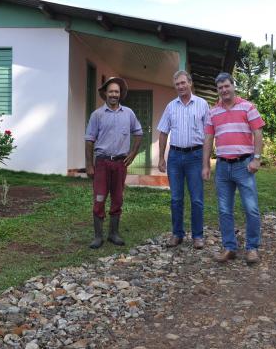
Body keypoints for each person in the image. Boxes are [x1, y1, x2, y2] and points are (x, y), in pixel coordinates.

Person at [202, 72, 265, 264]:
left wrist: (257, 159)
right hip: (222, 167)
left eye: (226, 86)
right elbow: (208, 139)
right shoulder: (213, 112)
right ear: (218, 90)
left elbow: (258, 132)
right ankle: (230, 248)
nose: (224, 90)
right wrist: (205, 165)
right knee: (224, 210)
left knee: (251, 209)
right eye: (220, 88)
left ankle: (252, 248)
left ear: (233, 86)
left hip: (244, 166)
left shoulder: (248, 107)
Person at [85, 77, 143, 249]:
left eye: (116, 92)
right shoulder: (97, 115)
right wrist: (89, 165)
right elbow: (89, 141)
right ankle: (98, 236)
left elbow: (138, 133)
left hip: (120, 164)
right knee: (100, 197)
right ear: (105, 93)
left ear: (120, 94)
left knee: (117, 198)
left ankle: (113, 233)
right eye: (111, 91)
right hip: (102, 163)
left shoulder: (129, 114)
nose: (113, 94)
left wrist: (132, 154)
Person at [157, 70, 210, 249]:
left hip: (195, 156)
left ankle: (197, 236)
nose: (180, 86)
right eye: (177, 84)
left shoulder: (202, 105)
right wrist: (161, 158)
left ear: (190, 83)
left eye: (183, 83)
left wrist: (205, 161)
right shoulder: (171, 106)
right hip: (175, 157)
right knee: (175, 198)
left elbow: (209, 134)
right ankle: (177, 234)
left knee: (196, 199)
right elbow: (163, 132)